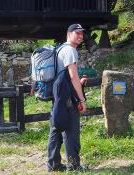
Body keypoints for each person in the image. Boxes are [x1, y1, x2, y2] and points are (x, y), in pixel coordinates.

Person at [47, 23, 88, 172]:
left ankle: (54, 164)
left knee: (56, 128)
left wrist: (78, 82)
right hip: (67, 98)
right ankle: (74, 166)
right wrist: (81, 99)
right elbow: (73, 76)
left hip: (58, 95)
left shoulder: (59, 49)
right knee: (71, 131)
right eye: (76, 33)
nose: (80, 36)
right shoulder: (70, 50)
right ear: (68, 34)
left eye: (81, 33)